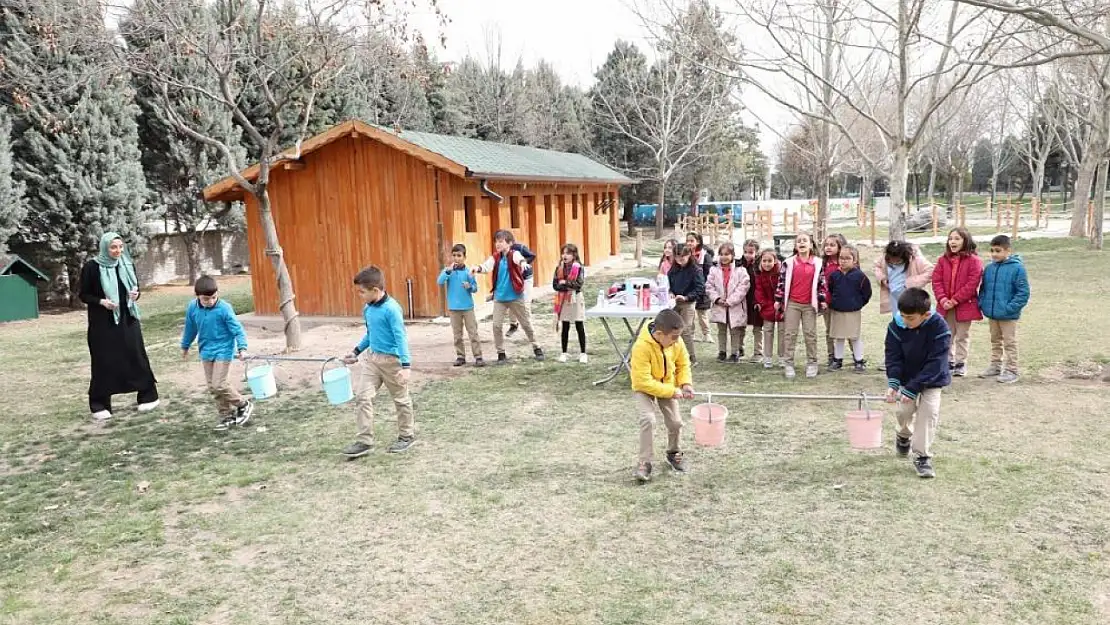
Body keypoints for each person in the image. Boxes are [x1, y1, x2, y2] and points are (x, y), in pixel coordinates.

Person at [78, 232, 159, 421]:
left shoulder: (126, 264)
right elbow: (83, 295)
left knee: (136, 355)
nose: (118, 251)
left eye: (120, 247)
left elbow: (136, 289)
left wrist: (135, 295)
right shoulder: (92, 267)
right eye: (113, 247)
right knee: (103, 361)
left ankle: (148, 395)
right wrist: (101, 302)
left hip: (128, 320)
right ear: (105, 248)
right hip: (102, 324)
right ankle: (99, 404)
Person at [342, 266, 416, 458]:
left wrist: (406, 366)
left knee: (401, 399)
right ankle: (365, 441)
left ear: (375, 290)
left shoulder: (392, 309)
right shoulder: (367, 309)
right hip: (372, 360)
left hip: (392, 362)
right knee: (362, 397)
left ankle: (406, 436)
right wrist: (356, 351)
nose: (360, 295)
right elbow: (370, 334)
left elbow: (401, 338)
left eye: (362, 292)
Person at [885, 287, 952, 479]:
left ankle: (922, 456)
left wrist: (915, 388)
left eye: (911, 318)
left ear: (926, 315)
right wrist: (894, 383)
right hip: (907, 377)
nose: (906, 321)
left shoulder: (940, 328)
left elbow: (936, 363)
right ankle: (903, 435)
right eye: (903, 316)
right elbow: (893, 357)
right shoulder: (895, 326)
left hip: (933, 379)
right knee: (904, 411)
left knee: (929, 413)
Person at [180, 275, 254, 430]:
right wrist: (185, 345)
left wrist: (242, 348)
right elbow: (190, 328)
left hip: (223, 350)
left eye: (214, 297)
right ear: (197, 296)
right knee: (212, 387)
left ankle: (243, 404)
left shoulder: (224, 308)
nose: (211, 301)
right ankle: (226, 416)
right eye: (206, 299)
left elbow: (237, 330)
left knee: (219, 384)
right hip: (206, 351)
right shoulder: (193, 308)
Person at [630, 308, 694, 483]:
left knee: (676, 422)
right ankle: (645, 462)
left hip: (667, 384)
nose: (677, 341)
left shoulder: (676, 341)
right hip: (645, 387)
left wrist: (685, 383)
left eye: (678, 337)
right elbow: (643, 382)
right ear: (659, 334)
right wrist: (672, 391)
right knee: (648, 419)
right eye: (673, 337)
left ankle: (674, 452)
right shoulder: (641, 347)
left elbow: (683, 363)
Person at [473, 230, 544, 363]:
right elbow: (486, 267)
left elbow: (520, 259)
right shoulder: (495, 257)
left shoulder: (514, 254)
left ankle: (536, 347)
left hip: (515, 296)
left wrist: (523, 264)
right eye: (496, 241)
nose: (497, 244)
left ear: (509, 243)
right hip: (500, 298)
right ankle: (501, 353)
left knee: (526, 323)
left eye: (501, 241)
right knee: (496, 326)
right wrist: (477, 268)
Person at [774, 232, 828, 379]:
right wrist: (778, 300)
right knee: (789, 334)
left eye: (805, 241)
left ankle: (812, 363)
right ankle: (788, 363)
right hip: (792, 303)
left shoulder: (818, 262)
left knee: (810, 334)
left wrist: (822, 299)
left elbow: (822, 283)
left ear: (811, 245)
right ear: (795, 246)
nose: (802, 243)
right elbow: (781, 282)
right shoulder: (789, 262)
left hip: (809, 304)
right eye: (799, 241)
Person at [977, 235, 1030, 384]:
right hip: (992, 313)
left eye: (998, 251)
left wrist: (1010, 308)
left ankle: (1012, 370)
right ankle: (995, 365)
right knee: (995, 340)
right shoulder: (989, 268)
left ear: (1008, 251)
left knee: (1009, 342)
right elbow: (983, 289)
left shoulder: (1017, 268)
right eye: (992, 250)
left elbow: (1023, 292)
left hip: (1008, 315)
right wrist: (984, 304)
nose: (994, 254)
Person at [932, 227, 983, 378]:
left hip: (964, 304)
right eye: (951, 238)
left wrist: (955, 300)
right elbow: (937, 281)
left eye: (957, 238)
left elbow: (972, 283)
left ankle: (961, 363)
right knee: (946, 334)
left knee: (962, 335)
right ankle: (948, 361)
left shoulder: (974, 261)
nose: (953, 241)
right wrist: (942, 299)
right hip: (945, 305)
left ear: (965, 241)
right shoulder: (942, 260)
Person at [826, 244, 872, 372]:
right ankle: (837, 360)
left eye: (847, 258)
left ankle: (859, 361)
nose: (843, 261)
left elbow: (867, 293)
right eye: (841, 258)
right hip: (837, 310)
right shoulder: (834, 275)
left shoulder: (860, 276)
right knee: (838, 337)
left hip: (853, 311)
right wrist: (833, 303)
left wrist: (857, 303)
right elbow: (830, 289)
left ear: (854, 260)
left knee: (854, 337)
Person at [437, 244, 484, 367]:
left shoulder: (469, 272)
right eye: (454, 255)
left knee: (473, 332)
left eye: (459, 255)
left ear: (464, 257)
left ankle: (478, 356)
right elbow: (440, 281)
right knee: (457, 335)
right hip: (454, 308)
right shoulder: (448, 271)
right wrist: (447, 271)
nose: (456, 258)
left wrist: (470, 287)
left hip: (468, 308)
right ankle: (460, 356)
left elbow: (475, 288)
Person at [705, 242, 750, 363]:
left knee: (735, 330)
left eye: (727, 254)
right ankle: (722, 351)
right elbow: (709, 286)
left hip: (735, 306)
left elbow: (743, 287)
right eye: (722, 254)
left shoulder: (741, 270)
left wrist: (731, 301)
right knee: (722, 330)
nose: (724, 257)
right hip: (720, 306)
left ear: (733, 255)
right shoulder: (714, 270)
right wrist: (717, 299)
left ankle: (735, 352)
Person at [875, 240, 934, 321]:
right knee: (899, 321)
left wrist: (911, 283)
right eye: (891, 260)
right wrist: (883, 279)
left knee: (914, 320)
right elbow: (877, 266)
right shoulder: (885, 257)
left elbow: (931, 271)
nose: (894, 262)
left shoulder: (915, 259)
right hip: (894, 297)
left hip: (912, 297)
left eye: (898, 261)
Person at [667, 243, 706, 365]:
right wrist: (671, 292)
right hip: (674, 303)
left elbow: (700, 288)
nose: (680, 260)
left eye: (682, 257)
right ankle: (674, 356)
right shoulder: (673, 269)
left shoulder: (696, 270)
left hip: (688, 303)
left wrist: (687, 297)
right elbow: (669, 283)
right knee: (672, 329)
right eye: (677, 257)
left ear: (689, 255)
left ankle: (691, 357)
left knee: (685, 329)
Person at [553, 243, 588, 363]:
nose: (565, 255)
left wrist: (564, 283)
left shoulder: (578, 267)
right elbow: (555, 285)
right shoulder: (559, 268)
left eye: (568, 253)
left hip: (576, 298)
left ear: (574, 255)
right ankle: (564, 352)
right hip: (563, 299)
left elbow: (579, 284)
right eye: (563, 253)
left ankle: (583, 353)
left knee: (579, 325)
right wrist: (565, 285)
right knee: (565, 326)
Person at [753, 248, 785, 369]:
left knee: (782, 332)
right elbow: (759, 292)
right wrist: (766, 306)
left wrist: (780, 304)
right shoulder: (760, 275)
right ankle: (768, 357)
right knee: (768, 332)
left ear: (775, 261)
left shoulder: (782, 273)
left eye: (770, 261)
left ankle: (782, 357)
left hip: (782, 306)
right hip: (767, 307)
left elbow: (784, 289)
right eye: (764, 261)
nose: (767, 263)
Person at [821, 234, 848, 367]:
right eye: (826, 245)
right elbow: (821, 284)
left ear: (840, 246)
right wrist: (823, 299)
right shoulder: (823, 264)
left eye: (832, 245)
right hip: (827, 303)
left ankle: (857, 356)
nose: (828, 248)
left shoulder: (845, 263)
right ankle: (831, 356)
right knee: (830, 330)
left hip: (844, 303)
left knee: (847, 330)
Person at [686, 231, 715, 343]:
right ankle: (691, 334)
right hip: (689, 289)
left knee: (702, 313)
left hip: (702, 289)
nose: (689, 243)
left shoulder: (705, 256)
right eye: (688, 241)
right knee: (690, 314)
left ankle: (707, 334)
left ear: (698, 242)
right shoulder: (686, 254)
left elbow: (709, 274)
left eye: (692, 241)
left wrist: (704, 287)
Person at [738, 239, 763, 362]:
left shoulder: (759, 265)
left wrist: (759, 300)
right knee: (740, 326)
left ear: (757, 252)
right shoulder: (739, 264)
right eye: (745, 252)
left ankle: (758, 352)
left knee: (758, 327)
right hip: (742, 300)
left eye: (751, 252)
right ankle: (739, 349)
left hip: (756, 300)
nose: (748, 254)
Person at [505, 242, 537, 338]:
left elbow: (532, 256)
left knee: (526, 305)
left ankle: (530, 331)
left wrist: (522, 263)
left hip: (526, 278)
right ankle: (513, 325)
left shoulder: (520, 248)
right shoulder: (502, 252)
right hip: (513, 279)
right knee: (511, 303)